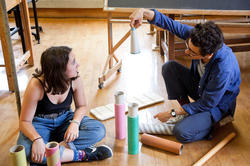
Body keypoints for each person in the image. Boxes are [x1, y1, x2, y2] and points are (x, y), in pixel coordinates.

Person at [130, 9, 241, 143]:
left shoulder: (224, 68)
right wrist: (143, 12)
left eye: (192, 52)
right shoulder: (198, 38)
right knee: (169, 68)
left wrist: (172, 113)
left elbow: (207, 103)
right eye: (187, 45)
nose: (186, 51)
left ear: (208, 55)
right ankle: (189, 116)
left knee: (181, 132)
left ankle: (213, 123)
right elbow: (170, 24)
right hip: (202, 89)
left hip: (217, 105)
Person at [17, 46, 112, 165]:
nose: (78, 64)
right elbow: (24, 122)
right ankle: (83, 154)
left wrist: (75, 123)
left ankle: (52, 150)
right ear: (59, 69)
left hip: (65, 119)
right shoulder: (36, 85)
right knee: (25, 151)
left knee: (98, 130)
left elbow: (81, 106)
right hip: (40, 123)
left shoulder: (75, 79)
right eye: (73, 62)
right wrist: (37, 139)